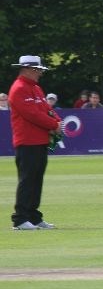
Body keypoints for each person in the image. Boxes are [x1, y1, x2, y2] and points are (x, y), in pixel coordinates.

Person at [7, 55, 62, 230]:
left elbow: (47, 109)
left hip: (39, 140)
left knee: (36, 179)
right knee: (28, 180)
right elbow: (32, 114)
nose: (40, 73)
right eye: (37, 70)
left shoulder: (36, 88)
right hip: (27, 141)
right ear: (28, 69)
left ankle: (33, 216)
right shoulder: (19, 89)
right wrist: (54, 125)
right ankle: (20, 218)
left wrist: (58, 122)